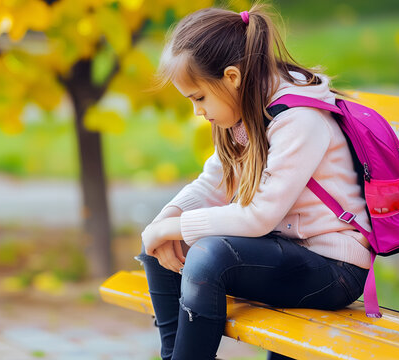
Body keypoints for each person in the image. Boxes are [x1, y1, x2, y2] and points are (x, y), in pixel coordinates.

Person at [136, 4, 371, 360]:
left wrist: (173, 228)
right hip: (285, 253)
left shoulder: (299, 119)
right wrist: (163, 221)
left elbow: (259, 216)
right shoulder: (243, 114)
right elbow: (212, 183)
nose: (197, 111)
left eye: (199, 98)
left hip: (333, 268)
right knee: (159, 245)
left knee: (207, 255)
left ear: (232, 77)